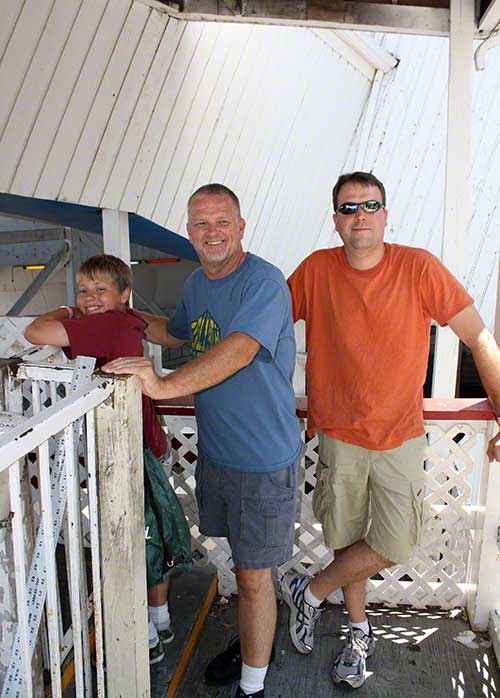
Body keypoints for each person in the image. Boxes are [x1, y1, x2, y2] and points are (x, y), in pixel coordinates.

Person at [280, 171, 500, 689]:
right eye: (349, 208)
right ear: (335, 219)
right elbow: (264, 333)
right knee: (347, 537)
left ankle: (307, 592)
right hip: (337, 430)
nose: (360, 216)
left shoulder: (418, 267)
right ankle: (358, 632)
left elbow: (478, 335)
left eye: (370, 206)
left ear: (385, 213)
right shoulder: (315, 270)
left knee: (398, 542)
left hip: (401, 434)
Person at [102, 184, 302, 698]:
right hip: (217, 453)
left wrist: (164, 384)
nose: (212, 232)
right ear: (189, 231)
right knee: (243, 567)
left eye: (222, 222)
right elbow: (177, 332)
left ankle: (253, 686)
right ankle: (256, 642)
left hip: (261, 457)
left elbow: (238, 349)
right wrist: (108, 315)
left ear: (240, 227)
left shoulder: (264, 281)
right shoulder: (196, 282)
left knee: (255, 577)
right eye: (200, 223)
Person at [23, 254, 190, 666]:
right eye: (83, 291)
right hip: (147, 441)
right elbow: (172, 335)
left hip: (123, 452)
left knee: (130, 543)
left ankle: (146, 636)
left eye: (101, 290)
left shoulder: (103, 323)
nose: (90, 298)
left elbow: (35, 331)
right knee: (152, 535)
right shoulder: (128, 319)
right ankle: (160, 617)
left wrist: (66, 310)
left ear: (123, 292)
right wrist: (126, 308)